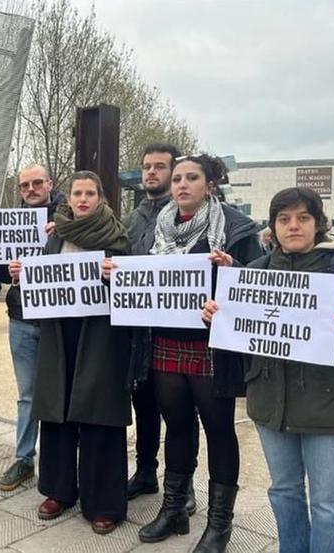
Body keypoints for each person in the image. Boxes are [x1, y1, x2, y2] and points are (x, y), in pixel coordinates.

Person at [203, 187, 334, 553]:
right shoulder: (257, 271)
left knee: (327, 505)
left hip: (329, 408)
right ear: (273, 227)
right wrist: (217, 320)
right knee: (284, 493)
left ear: (318, 224)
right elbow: (242, 336)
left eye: (303, 218)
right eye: (284, 219)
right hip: (271, 405)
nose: (294, 226)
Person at [137, 154, 262, 553]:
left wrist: (233, 268)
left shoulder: (236, 229)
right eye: (177, 178)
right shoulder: (159, 229)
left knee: (219, 429)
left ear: (209, 184)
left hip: (212, 347)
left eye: (192, 178)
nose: (182, 184)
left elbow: (258, 284)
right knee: (176, 424)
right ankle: (174, 508)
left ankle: (219, 524)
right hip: (166, 341)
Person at [18, 170, 132, 535]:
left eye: (89, 193)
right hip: (59, 336)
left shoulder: (118, 238)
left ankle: (103, 502)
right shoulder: (56, 236)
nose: (82, 200)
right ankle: (59, 489)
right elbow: (40, 286)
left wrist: (116, 276)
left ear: (101, 198)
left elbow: (134, 294)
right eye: (77, 194)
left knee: (99, 414)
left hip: (99, 337)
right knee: (57, 411)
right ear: (68, 199)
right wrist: (24, 275)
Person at [124, 144, 199, 511]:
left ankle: (184, 486)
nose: (151, 173)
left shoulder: (188, 217)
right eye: (146, 167)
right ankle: (145, 472)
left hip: (179, 332)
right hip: (140, 332)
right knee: (145, 407)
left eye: (160, 167)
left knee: (180, 414)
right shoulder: (130, 219)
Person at [0, 164, 65, 492]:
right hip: (21, 319)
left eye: (36, 183)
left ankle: (59, 462)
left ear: (50, 184)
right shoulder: (11, 223)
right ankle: (23, 458)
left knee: (62, 391)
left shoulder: (68, 218)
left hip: (59, 321)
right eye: (24, 186)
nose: (30, 190)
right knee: (27, 394)